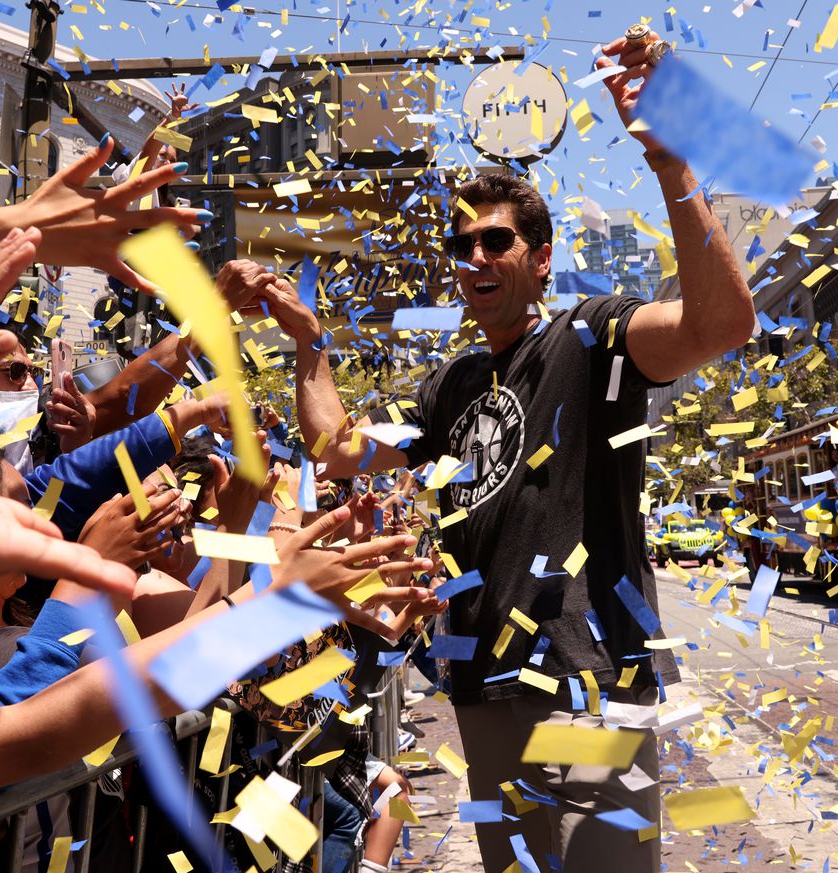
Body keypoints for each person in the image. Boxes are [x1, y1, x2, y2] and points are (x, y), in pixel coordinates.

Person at [264, 29, 754, 873]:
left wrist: (673, 165)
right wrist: (310, 347)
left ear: (541, 258)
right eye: (462, 245)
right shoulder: (450, 387)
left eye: (496, 241)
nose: (476, 258)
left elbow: (721, 326)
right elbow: (336, 449)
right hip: (483, 695)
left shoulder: (591, 335)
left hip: (587, 686)